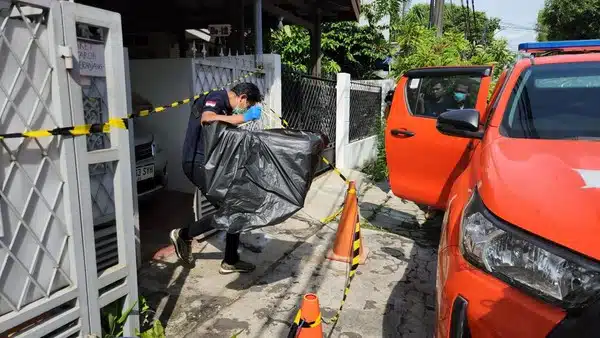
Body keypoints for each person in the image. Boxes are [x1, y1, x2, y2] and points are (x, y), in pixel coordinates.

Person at [169, 82, 263, 274]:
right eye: (248, 105)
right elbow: (208, 118)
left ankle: (230, 259)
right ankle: (184, 234)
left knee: (234, 208)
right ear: (242, 97)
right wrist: (243, 117)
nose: (246, 109)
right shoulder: (217, 97)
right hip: (197, 163)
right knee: (231, 209)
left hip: (210, 163)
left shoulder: (226, 107)